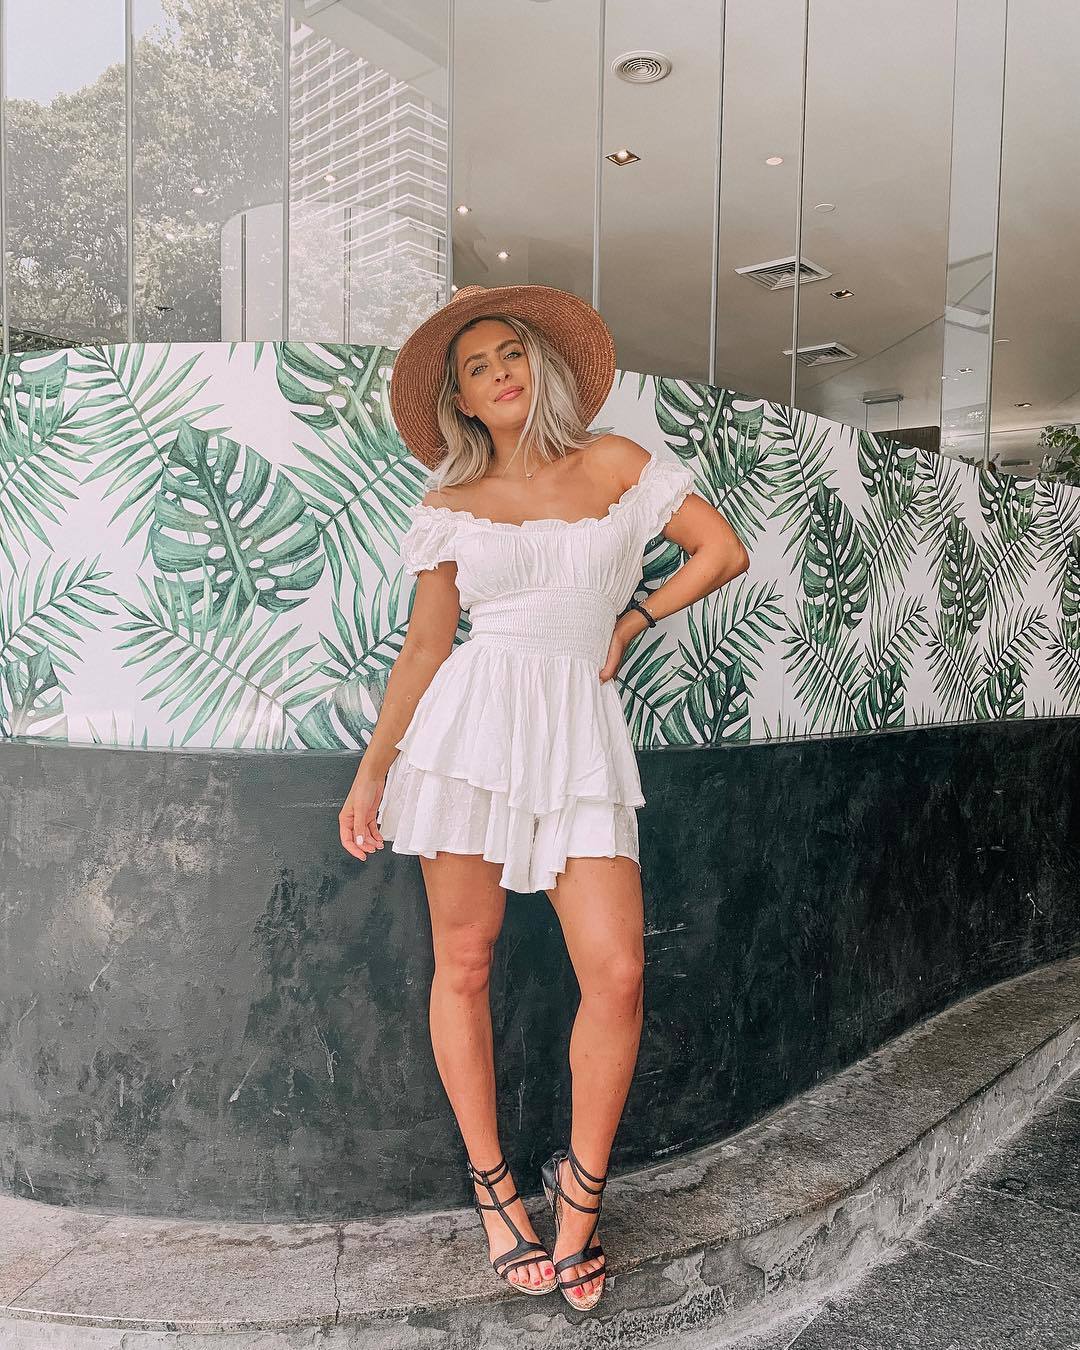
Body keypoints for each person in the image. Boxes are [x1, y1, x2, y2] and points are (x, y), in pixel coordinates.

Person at [338, 283, 750, 1311]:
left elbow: (723, 549)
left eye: (510, 354)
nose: (499, 373)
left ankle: (579, 1196)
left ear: (539, 366)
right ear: (462, 401)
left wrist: (632, 622)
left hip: (577, 732)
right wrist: (373, 771)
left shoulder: (614, 463)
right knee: (466, 962)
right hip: (468, 735)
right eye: (476, 367)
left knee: (616, 971)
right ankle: (492, 1192)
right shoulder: (448, 502)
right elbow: (426, 647)